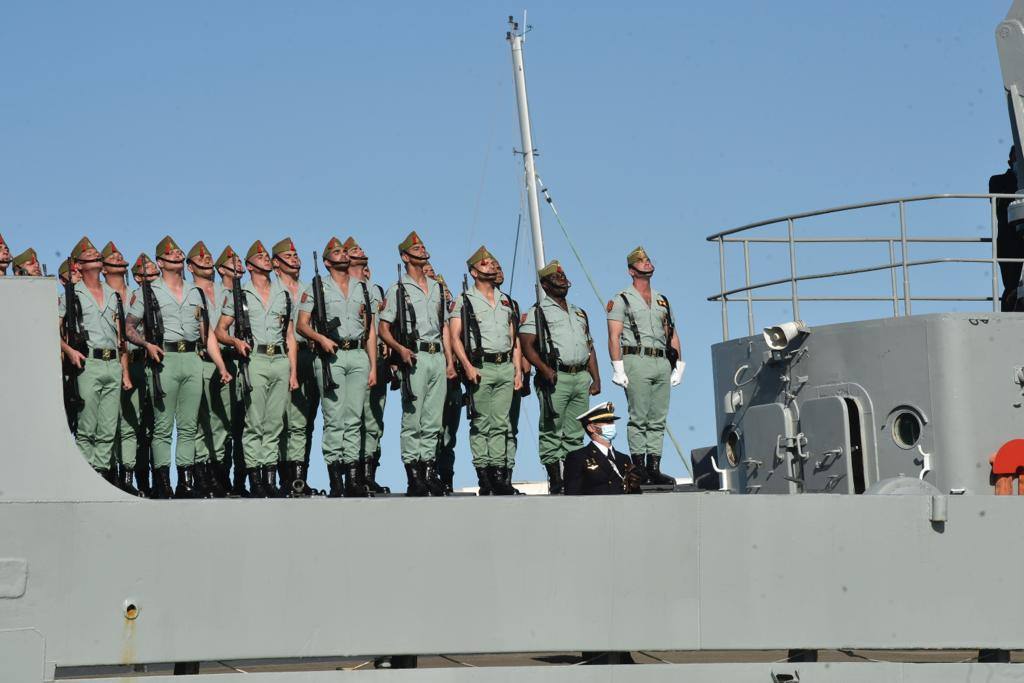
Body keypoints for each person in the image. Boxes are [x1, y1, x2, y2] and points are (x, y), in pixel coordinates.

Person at [125, 235, 228, 499]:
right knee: (162, 426)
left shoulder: (196, 292)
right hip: (164, 359)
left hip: (192, 358)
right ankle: (162, 482)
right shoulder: (148, 292)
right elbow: (128, 326)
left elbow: (207, 336)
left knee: (189, 426)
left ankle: (185, 481)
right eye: (170, 254)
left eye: (179, 253)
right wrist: (146, 344)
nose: (177, 256)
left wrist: (221, 366)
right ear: (160, 262)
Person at [215, 240, 299, 497]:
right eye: (259, 257)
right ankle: (255, 478)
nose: (265, 259)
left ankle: (269, 477)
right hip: (256, 359)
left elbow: (290, 336)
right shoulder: (240, 295)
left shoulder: (283, 294)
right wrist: (235, 341)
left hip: (280, 359)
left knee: (274, 423)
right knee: (254, 422)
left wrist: (293, 371)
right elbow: (220, 330)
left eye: (266, 256)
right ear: (250, 266)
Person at [297, 237, 378, 497]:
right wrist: (320, 338)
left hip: (357, 354)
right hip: (330, 356)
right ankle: (336, 478)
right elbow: (302, 324)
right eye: (338, 252)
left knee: (354, 418)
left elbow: (371, 330)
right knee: (334, 418)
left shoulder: (362, 288)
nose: (343, 255)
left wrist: (373, 365)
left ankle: (353, 478)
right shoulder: (317, 287)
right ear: (327, 261)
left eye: (345, 252)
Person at [378, 231, 454, 496]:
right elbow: (383, 328)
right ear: (405, 256)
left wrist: (449, 360)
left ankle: (429, 471)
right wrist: (400, 349)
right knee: (414, 418)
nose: (422, 251)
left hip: (436, 355)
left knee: (433, 419)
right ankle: (414, 476)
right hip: (416, 355)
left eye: (423, 247)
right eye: (417, 248)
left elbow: (444, 325)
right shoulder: (397, 289)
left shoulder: (436, 287)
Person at [58, 237, 135, 492]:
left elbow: (121, 338)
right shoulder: (71, 294)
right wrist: (69, 351)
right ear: (78, 265)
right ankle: (83, 477)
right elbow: (52, 329)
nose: (97, 256)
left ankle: (100, 477)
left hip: (112, 363)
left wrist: (124, 371)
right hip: (88, 362)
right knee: (87, 426)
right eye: (90, 254)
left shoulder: (114, 295)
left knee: (108, 426)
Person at [520, 260, 601, 493]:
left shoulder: (579, 312)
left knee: (576, 431)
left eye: (564, 277)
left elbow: (589, 346)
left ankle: (573, 477)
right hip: (556, 376)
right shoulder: (537, 312)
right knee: (551, 429)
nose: (563, 280)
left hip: (580, 376)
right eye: (557, 278)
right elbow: (527, 345)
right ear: (545, 285)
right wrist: (544, 369)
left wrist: (596, 378)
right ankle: (556, 479)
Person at [606, 246, 683, 486]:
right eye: (641, 261)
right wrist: (618, 367)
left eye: (648, 260)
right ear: (631, 270)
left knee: (658, 418)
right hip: (636, 359)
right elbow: (614, 335)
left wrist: (679, 363)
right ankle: (639, 467)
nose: (647, 263)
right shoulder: (621, 299)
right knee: (639, 416)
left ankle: (654, 466)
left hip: (661, 360)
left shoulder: (662, 299)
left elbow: (672, 334)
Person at [449, 246, 523, 495]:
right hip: (480, 366)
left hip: (504, 365)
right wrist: (467, 366)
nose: (491, 266)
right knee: (481, 423)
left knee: (502, 423)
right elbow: (455, 336)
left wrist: (518, 370)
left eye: (492, 263)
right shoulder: (465, 300)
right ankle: (485, 476)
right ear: (473, 271)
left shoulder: (505, 300)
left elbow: (514, 339)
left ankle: (500, 474)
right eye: (485, 264)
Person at [188, 241, 234, 497]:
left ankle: (217, 472)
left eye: (208, 257)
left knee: (221, 421)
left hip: (227, 360)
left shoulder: (226, 292)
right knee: (199, 421)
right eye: (200, 258)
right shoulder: (187, 292)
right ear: (190, 265)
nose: (206, 260)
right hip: (199, 360)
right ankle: (201, 473)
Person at [272, 237, 317, 495]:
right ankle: (283, 477)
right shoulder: (272, 288)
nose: (295, 259)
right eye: (288, 256)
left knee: (303, 421)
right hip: (279, 355)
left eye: (295, 255)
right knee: (278, 419)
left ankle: (299, 477)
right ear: (276, 263)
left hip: (306, 355)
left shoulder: (309, 289)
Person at [346, 238, 389, 494]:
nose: (361, 251)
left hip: (377, 359)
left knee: (373, 419)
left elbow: (384, 325)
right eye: (354, 251)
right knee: (351, 418)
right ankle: (349, 475)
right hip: (353, 356)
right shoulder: (342, 289)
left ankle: (368, 472)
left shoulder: (375, 290)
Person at [100, 241, 143, 494]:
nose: (118, 257)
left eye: (119, 255)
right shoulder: (101, 295)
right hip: (109, 362)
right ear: (103, 268)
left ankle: (127, 477)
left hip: (137, 364)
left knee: (131, 424)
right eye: (112, 257)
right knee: (108, 423)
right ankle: (109, 474)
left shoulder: (137, 294)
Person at [123, 254, 160, 497]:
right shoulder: (136, 298)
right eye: (150, 273)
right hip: (132, 363)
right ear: (138, 277)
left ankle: (149, 480)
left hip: (153, 364)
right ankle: (124, 476)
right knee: (129, 425)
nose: (156, 277)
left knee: (152, 426)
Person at [215, 246, 248, 496]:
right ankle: (220, 477)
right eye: (232, 262)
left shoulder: (247, 294)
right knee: (222, 425)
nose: (238, 266)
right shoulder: (214, 295)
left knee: (243, 425)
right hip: (222, 360)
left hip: (244, 363)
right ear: (221, 269)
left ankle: (240, 480)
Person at [563, 401, 642, 495]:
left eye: (612, 421)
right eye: (607, 422)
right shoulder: (578, 457)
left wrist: (635, 487)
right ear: (591, 428)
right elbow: (572, 494)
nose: (612, 425)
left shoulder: (623, 459)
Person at [428, 266, 460, 494]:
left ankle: (446, 476)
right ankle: (427, 474)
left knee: (449, 432)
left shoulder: (457, 311)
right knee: (430, 427)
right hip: (431, 369)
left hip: (454, 378)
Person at [991, 146, 1023, 311]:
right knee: (1011, 286)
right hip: (1009, 241)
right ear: (1010, 161)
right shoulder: (997, 181)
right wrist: (1020, 177)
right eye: (1017, 158)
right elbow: (1000, 205)